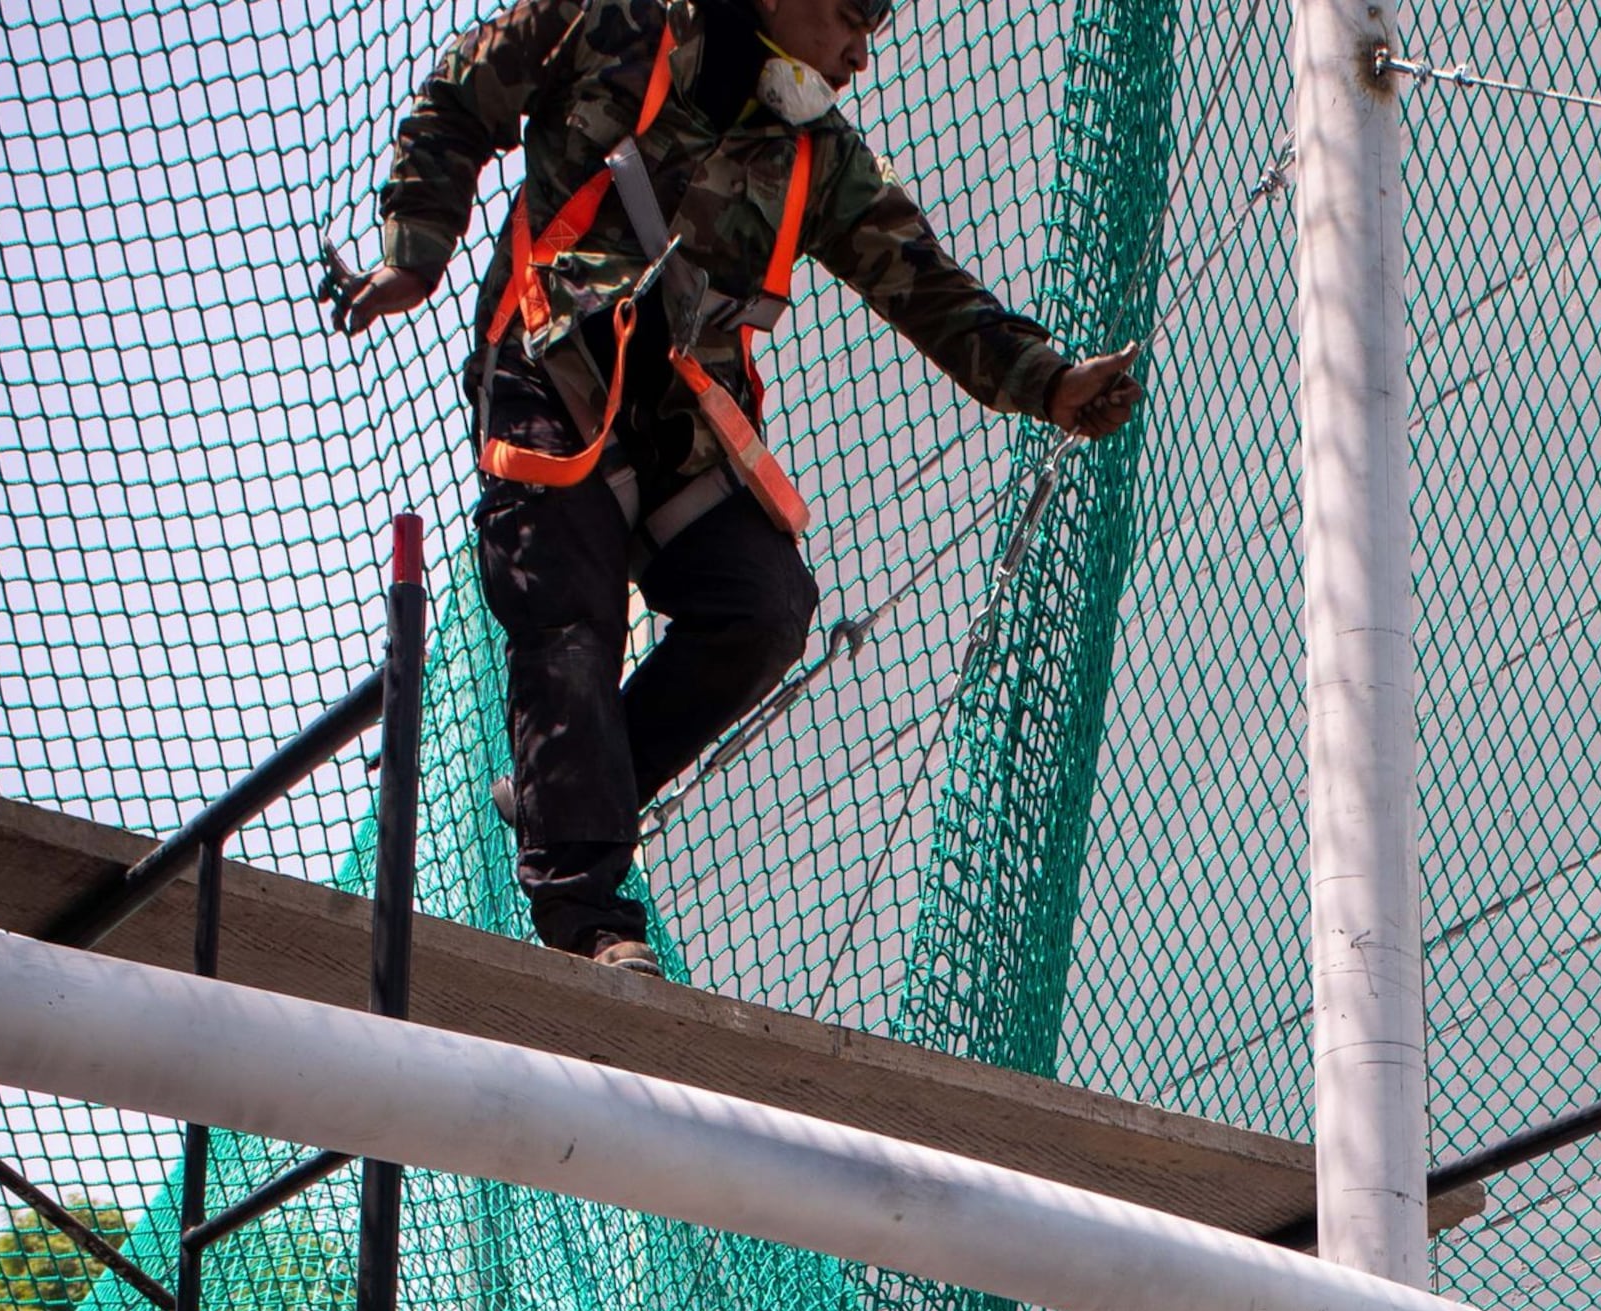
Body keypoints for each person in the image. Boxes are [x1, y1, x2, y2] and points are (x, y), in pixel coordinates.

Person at [341, 0, 1136, 977]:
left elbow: (923, 283)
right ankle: (588, 917)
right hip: (552, 371)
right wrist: (415, 255)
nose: (858, 53)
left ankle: (566, 790)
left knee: (764, 607)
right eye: (851, 19)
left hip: (682, 422)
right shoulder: (609, 27)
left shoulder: (819, 155)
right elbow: (460, 101)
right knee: (566, 617)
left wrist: (1047, 383)